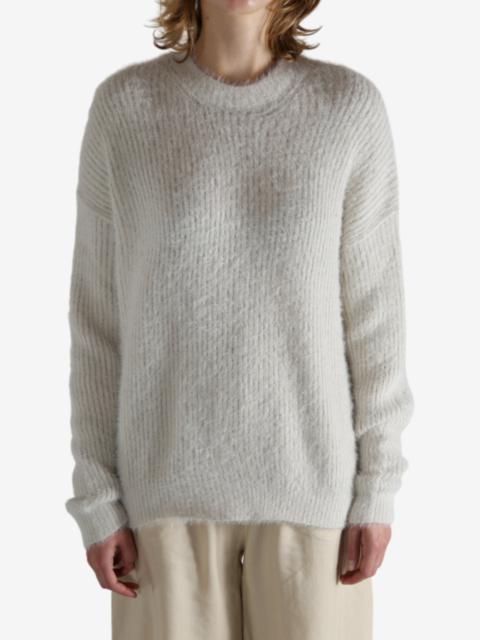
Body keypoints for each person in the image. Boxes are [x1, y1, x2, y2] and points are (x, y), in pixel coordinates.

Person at [65, 0, 415, 637]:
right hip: (161, 497)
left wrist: (378, 486)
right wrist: (97, 495)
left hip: (315, 497)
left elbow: (376, 319)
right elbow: (97, 321)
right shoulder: (125, 109)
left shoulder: (348, 109)